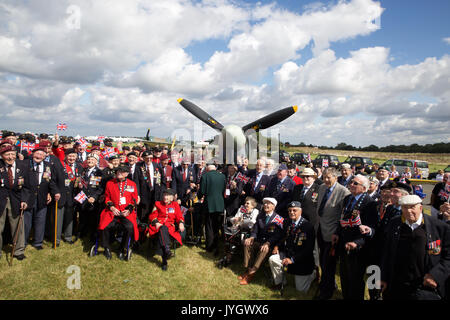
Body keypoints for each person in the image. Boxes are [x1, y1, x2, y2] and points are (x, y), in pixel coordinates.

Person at [381, 195, 450, 300]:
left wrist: (435, 275)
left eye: (412, 207)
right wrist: (383, 277)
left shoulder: (438, 227)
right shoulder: (394, 224)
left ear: (420, 208)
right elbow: (387, 252)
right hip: (397, 285)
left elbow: (448, 256)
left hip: (425, 287)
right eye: (405, 207)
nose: (408, 211)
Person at [332, 174, 377, 300]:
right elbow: (343, 219)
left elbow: (371, 227)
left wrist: (357, 243)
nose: (351, 184)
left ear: (364, 188)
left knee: (355, 278)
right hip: (344, 242)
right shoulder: (348, 199)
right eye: (351, 182)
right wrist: (337, 233)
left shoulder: (369, 203)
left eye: (355, 183)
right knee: (345, 275)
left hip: (358, 247)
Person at [315, 167, 351, 300]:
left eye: (328, 177)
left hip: (333, 234)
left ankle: (326, 292)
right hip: (320, 229)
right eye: (324, 177)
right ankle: (327, 284)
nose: (325, 179)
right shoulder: (322, 188)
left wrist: (337, 232)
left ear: (336, 177)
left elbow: (343, 216)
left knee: (328, 263)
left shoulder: (343, 192)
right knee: (323, 263)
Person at [269, 201, 316, 292]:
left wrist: (293, 259)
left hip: (302, 259)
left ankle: (313, 274)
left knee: (300, 290)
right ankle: (280, 282)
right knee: (273, 259)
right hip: (288, 254)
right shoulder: (287, 221)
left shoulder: (307, 226)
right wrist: (277, 247)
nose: (292, 212)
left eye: (294, 210)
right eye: (290, 210)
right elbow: (283, 237)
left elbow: (308, 249)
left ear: (300, 211)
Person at [240, 197, 284, 285]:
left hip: (271, 244)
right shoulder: (260, 216)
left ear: (273, 207)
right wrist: (251, 237)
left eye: (268, 203)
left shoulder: (278, 219)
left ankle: (252, 272)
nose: (266, 205)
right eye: (265, 203)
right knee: (247, 243)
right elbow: (255, 230)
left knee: (265, 249)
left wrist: (268, 243)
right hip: (259, 241)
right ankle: (248, 268)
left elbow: (277, 236)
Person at [98, 165, 139, 260]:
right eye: (117, 172)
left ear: (127, 174)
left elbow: (134, 199)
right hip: (113, 211)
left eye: (122, 172)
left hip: (126, 212)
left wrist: (129, 210)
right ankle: (107, 248)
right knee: (105, 226)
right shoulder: (110, 183)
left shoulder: (132, 184)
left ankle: (121, 248)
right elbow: (107, 197)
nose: (119, 173)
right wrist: (111, 207)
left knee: (129, 227)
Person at [24, 147, 61, 249]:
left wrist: (54, 192)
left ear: (45, 156)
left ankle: (38, 243)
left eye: (42, 155)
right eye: (37, 154)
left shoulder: (48, 166)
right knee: (26, 222)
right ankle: (23, 242)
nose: (39, 156)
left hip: (42, 197)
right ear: (32, 154)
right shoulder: (25, 164)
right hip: (28, 197)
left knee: (40, 221)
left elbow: (50, 181)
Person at [0, 145, 29, 260]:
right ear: (2, 156)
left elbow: (27, 186)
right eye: (7, 154)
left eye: (12, 154)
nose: (10, 157)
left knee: (17, 226)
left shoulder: (23, 165)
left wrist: (24, 200)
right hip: (1, 199)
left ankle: (18, 251)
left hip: (16, 200)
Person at [147, 188, 185, 270]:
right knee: (162, 228)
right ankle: (166, 254)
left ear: (171, 197)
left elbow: (179, 216)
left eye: (167, 195)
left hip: (170, 229)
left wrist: (181, 223)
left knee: (164, 230)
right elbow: (152, 216)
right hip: (157, 227)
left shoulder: (175, 205)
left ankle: (165, 258)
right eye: (164, 195)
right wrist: (156, 223)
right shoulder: (157, 204)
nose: (165, 197)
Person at [198, 163, 226, 256]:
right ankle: (217, 245)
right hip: (220, 204)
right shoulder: (222, 176)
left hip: (209, 204)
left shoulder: (205, 176)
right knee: (217, 226)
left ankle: (210, 246)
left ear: (207, 169)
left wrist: (199, 196)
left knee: (209, 226)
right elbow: (223, 190)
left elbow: (202, 191)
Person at [57, 148, 84, 245]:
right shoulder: (60, 165)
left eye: (73, 156)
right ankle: (57, 239)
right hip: (61, 195)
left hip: (73, 196)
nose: (71, 158)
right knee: (58, 219)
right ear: (66, 156)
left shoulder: (80, 167)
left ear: (76, 157)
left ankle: (68, 237)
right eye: (69, 156)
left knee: (70, 218)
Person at [76, 153, 104, 241]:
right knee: (82, 217)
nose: (90, 161)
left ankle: (92, 236)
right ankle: (81, 234)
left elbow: (99, 188)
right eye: (88, 159)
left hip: (92, 199)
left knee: (92, 219)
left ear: (96, 162)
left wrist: (94, 197)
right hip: (83, 197)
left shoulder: (98, 172)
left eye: (92, 160)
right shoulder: (84, 171)